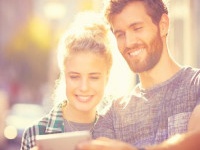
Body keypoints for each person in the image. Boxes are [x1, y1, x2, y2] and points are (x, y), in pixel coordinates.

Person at [76, 0, 200, 149]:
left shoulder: (196, 85)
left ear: (163, 25)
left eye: (137, 28)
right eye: (120, 34)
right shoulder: (112, 117)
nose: (129, 42)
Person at [20, 11, 114, 150]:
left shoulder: (116, 134)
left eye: (94, 77)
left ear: (107, 77)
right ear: (64, 76)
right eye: (74, 77)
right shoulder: (35, 134)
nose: (84, 87)